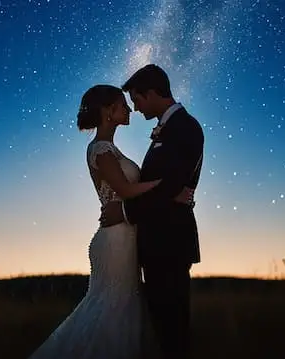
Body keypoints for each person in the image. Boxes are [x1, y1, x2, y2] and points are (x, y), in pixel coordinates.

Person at [27, 84, 193, 359]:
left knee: (122, 307)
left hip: (125, 236)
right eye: (122, 104)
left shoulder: (111, 149)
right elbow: (126, 191)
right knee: (113, 307)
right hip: (115, 239)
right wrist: (168, 187)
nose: (129, 109)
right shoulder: (101, 150)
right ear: (108, 111)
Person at [99, 64, 204, 359]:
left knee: (172, 331)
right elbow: (164, 186)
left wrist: (126, 212)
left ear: (153, 93)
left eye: (137, 99)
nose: (135, 107)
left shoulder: (185, 127)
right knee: (162, 327)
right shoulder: (167, 129)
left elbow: (170, 185)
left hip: (170, 242)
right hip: (157, 241)